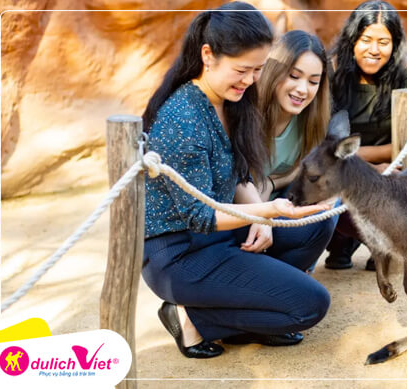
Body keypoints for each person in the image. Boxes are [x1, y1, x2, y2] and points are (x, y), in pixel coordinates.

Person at [140, 2, 333, 359]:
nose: (251, 80)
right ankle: (192, 318)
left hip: (220, 236)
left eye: (259, 70)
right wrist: (265, 211)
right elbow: (199, 217)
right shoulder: (183, 119)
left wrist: (257, 213)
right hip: (180, 253)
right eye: (243, 69)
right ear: (208, 55)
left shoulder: (232, 100)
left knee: (313, 224)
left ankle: (257, 313)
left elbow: (239, 170)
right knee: (311, 305)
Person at [326, 0, 407, 270]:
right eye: (366, 40)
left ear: (395, 43)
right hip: (347, 171)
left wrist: (384, 168)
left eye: (383, 42)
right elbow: (323, 147)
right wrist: (374, 167)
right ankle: (342, 239)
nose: (374, 50)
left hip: (402, 169)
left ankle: (387, 243)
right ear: (353, 38)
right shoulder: (331, 70)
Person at [255, 30, 331, 201]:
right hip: (238, 211)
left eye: (313, 82)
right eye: (294, 76)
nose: (302, 90)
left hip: (282, 207)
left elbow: (308, 165)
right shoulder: (248, 111)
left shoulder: (311, 119)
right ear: (275, 71)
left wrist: (271, 184)